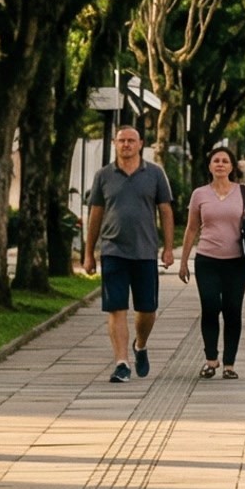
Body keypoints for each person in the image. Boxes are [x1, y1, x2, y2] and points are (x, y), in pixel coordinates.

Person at [83, 126, 177, 383]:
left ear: (140, 144)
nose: (126, 145)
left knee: (147, 309)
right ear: (114, 143)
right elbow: (96, 214)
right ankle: (121, 363)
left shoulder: (155, 173)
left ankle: (140, 346)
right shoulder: (104, 175)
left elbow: (166, 211)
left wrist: (168, 249)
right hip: (113, 250)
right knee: (117, 308)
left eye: (131, 141)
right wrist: (89, 253)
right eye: (122, 140)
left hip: (145, 251)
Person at [178, 144, 245, 380]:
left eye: (225, 161)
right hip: (207, 261)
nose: (220, 164)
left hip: (237, 262)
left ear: (232, 166)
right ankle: (211, 359)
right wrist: (183, 261)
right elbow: (192, 228)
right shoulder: (199, 194)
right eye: (216, 161)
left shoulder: (244, 191)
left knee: (233, 310)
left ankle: (230, 364)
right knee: (211, 307)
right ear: (210, 166)